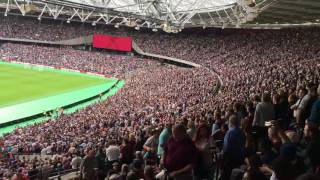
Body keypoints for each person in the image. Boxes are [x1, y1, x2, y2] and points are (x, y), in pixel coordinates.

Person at [221, 115, 246, 180]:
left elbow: (226, 149)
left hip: (230, 160)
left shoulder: (229, 133)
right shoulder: (242, 132)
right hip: (240, 158)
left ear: (230, 122)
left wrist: (222, 160)